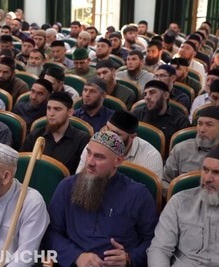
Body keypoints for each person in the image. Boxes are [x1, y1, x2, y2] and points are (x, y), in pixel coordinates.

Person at [43, 131, 158, 266]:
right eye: (89, 153)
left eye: (99, 157)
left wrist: (130, 257)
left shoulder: (138, 194)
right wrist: (76, 256)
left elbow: (154, 241)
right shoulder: (67, 187)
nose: (90, 162)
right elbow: (50, 233)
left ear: (118, 161)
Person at [147, 146, 219, 266]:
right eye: (205, 170)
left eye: (217, 173)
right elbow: (159, 249)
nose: (207, 178)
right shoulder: (179, 202)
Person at [76, 110, 164, 179]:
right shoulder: (94, 146)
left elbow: (147, 196)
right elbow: (79, 178)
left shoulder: (151, 157)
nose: (108, 137)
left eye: (115, 134)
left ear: (132, 137)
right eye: (107, 129)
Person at [21, 91, 90, 174]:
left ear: (70, 112)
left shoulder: (82, 140)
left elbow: (79, 176)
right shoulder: (35, 135)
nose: (51, 113)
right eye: (49, 108)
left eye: (57, 109)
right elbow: (22, 164)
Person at [132, 80, 190, 150]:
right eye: (145, 94)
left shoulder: (180, 120)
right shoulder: (136, 114)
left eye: (152, 92)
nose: (147, 97)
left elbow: (181, 151)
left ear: (166, 95)